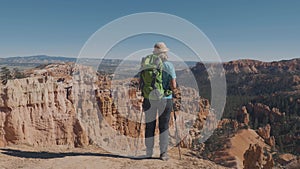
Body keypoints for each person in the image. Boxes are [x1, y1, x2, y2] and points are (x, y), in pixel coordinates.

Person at [141, 42, 177, 161]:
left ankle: (148, 152)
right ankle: (163, 154)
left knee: (149, 125)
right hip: (165, 100)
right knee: (164, 126)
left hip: (149, 98)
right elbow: (173, 85)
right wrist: (173, 91)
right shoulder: (168, 65)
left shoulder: (148, 64)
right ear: (165, 53)